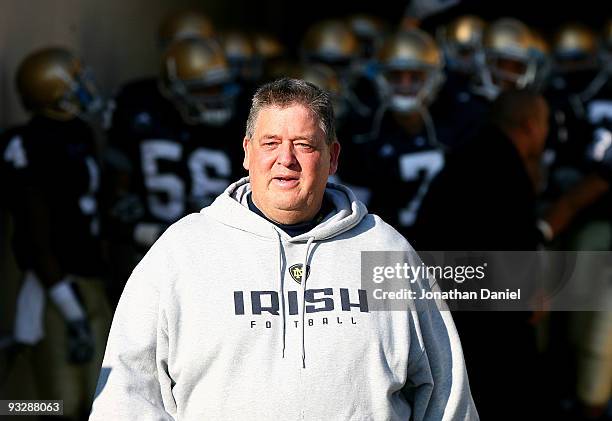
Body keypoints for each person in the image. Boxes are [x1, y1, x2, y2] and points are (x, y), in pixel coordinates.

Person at [90, 78, 478, 420]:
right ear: (246, 152)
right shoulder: (181, 253)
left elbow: (446, 396)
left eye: (304, 145)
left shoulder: (386, 252)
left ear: (333, 158)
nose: (285, 160)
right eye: (270, 143)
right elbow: (127, 395)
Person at [414, 89, 550, 420]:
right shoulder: (508, 171)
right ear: (531, 126)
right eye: (546, 124)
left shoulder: (464, 158)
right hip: (487, 334)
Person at [0, 46, 111, 420]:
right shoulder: (28, 143)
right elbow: (36, 232)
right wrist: (68, 306)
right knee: (56, 404)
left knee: (99, 401)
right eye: (75, 82)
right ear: (51, 90)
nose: (84, 88)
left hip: (89, 279)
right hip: (55, 286)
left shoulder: (78, 131)